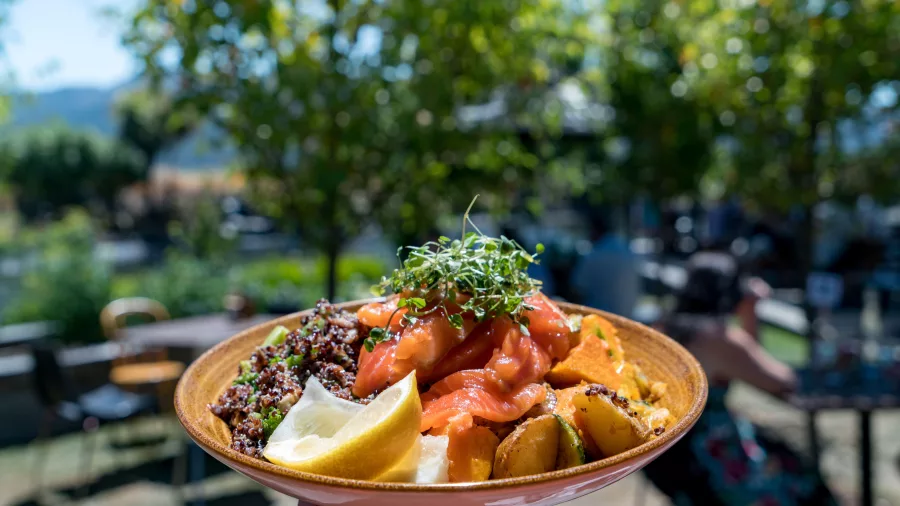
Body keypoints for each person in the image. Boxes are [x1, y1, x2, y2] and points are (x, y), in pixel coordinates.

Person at [643, 251, 837, 506]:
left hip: (661, 460)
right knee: (802, 479)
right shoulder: (718, 337)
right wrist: (751, 310)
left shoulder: (660, 329)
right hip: (706, 461)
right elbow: (781, 381)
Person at [569, 214, 640, 317]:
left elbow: (577, 289)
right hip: (628, 316)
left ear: (594, 230)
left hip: (598, 318)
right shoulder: (627, 250)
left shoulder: (592, 255)